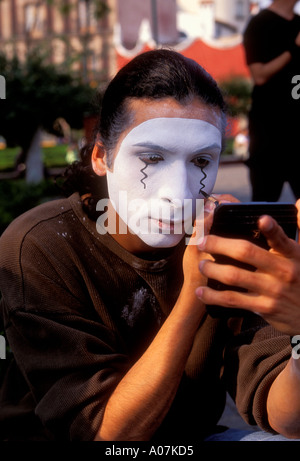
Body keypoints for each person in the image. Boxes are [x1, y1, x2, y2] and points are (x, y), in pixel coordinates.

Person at [1, 49, 300, 442]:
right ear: (100, 157)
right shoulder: (37, 247)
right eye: (152, 157)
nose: (178, 195)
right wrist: (196, 293)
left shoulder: (230, 245)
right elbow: (107, 437)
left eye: (200, 162)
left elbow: (287, 419)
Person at [243, 0, 300, 201]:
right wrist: (294, 48)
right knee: (264, 206)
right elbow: (259, 75)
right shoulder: (260, 23)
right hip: (269, 133)